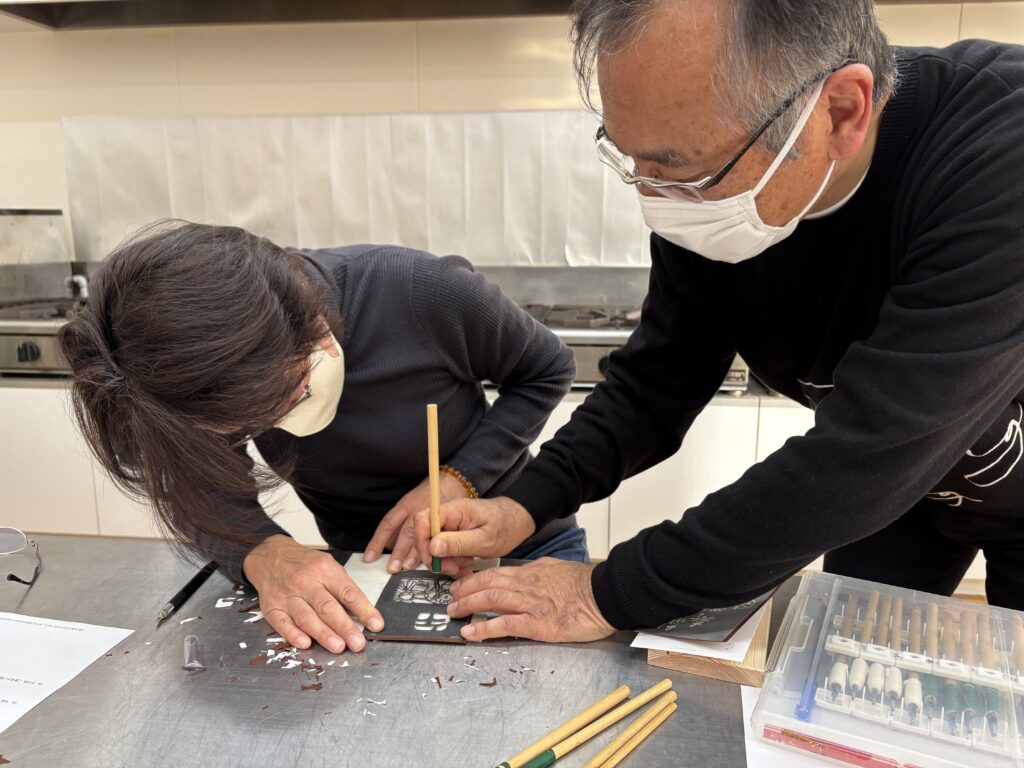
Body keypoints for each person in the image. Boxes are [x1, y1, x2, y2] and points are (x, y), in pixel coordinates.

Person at [411, 0, 1024, 643]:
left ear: (842, 112)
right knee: (853, 662)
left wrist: (606, 593)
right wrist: (524, 504)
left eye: (681, 172)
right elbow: (658, 381)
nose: (656, 201)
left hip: (928, 466)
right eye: (635, 166)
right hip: (899, 493)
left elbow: (873, 447)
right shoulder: (715, 193)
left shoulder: (997, 152)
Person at [58, 220, 581, 654]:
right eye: (251, 423)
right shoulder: (196, 372)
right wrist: (262, 551)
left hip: (524, 547)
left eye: (293, 394)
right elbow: (196, 486)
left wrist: (458, 479)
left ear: (305, 325)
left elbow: (546, 369)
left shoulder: (419, 291)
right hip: (366, 573)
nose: (278, 424)